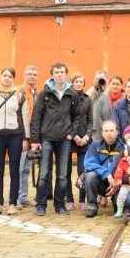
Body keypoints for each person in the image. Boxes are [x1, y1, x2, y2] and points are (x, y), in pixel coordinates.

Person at [30, 62, 82, 217]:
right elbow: (36, 117)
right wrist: (35, 139)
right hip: (46, 138)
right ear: (52, 74)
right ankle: (41, 204)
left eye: (62, 72)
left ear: (66, 74)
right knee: (44, 173)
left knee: (63, 175)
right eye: (57, 72)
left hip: (64, 139)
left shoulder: (72, 94)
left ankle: (59, 205)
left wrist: (71, 133)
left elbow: (77, 117)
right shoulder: (45, 94)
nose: (60, 74)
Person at [0, 67, 30, 215]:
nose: (7, 78)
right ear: (0, 77)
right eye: (4, 75)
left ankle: (13, 203)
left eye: (10, 76)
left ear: (13, 79)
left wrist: (26, 138)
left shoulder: (19, 95)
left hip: (15, 135)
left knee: (15, 171)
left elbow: (25, 118)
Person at [83, 120, 123, 218]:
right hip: (101, 182)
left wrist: (116, 180)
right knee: (90, 175)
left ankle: (117, 204)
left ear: (117, 132)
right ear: (102, 133)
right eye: (106, 131)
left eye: (112, 130)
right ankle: (92, 206)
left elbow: (125, 168)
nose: (109, 134)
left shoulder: (124, 148)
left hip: (118, 183)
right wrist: (107, 174)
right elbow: (89, 163)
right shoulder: (94, 146)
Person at [65, 73, 93, 211]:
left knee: (83, 170)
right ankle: (69, 199)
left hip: (84, 139)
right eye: (76, 81)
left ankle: (82, 199)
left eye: (81, 82)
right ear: (72, 83)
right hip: (69, 138)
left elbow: (90, 119)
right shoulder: (67, 97)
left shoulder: (87, 99)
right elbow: (66, 119)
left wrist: (87, 136)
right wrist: (74, 136)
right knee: (66, 171)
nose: (79, 84)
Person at [17, 65, 39, 207]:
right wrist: (24, 136)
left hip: (31, 134)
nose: (32, 76)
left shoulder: (35, 92)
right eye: (29, 74)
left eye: (34, 74)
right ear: (24, 75)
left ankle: (23, 196)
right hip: (21, 134)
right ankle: (17, 198)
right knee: (18, 168)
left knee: (26, 167)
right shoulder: (19, 91)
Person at [92, 75, 122, 140]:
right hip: (102, 135)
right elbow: (97, 117)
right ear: (109, 85)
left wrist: (115, 131)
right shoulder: (102, 99)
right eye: (113, 84)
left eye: (117, 84)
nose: (115, 86)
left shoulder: (124, 101)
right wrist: (106, 130)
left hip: (120, 136)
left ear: (121, 86)